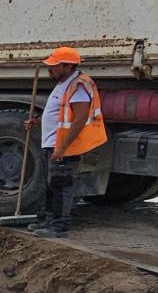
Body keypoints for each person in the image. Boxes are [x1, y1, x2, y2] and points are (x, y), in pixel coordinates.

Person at [31, 45, 107, 237]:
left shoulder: (78, 86)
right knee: (52, 183)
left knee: (61, 185)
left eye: (54, 66)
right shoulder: (63, 83)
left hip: (66, 147)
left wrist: (62, 147)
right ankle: (49, 220)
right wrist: (36, 122)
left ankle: (59, 226)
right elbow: (59, 113)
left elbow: (80, 118)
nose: (50, 69)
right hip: (54, 144)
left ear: (67, 66)